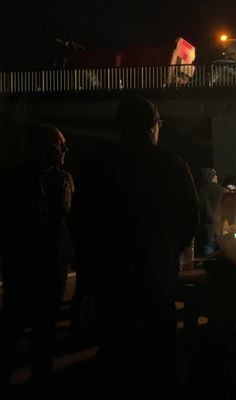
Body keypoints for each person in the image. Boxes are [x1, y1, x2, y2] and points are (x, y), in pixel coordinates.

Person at [75, 95, 199, 388]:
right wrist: (167, 250)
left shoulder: (96, 165)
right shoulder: (173, 166)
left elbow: (80, 220)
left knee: (115, 355)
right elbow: (189, 221)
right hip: (156, 275)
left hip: (110, 278)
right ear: (153, 127)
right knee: (158, 355)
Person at [0, 124, 74, 389]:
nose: (64, 149)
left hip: (50, 262)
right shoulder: (14, 180)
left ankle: (39, 376)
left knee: (42, 326)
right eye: (58, 144)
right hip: (27, 261)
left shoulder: (63, 179)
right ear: (39, 147)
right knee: (16, 323)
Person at [197, 167, 225, 256]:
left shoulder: (199, 192)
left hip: (207, 232)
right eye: (215, 175)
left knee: (207, 262)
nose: (217, 177)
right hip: (223, 231)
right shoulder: (224, 191)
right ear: (212, 177)